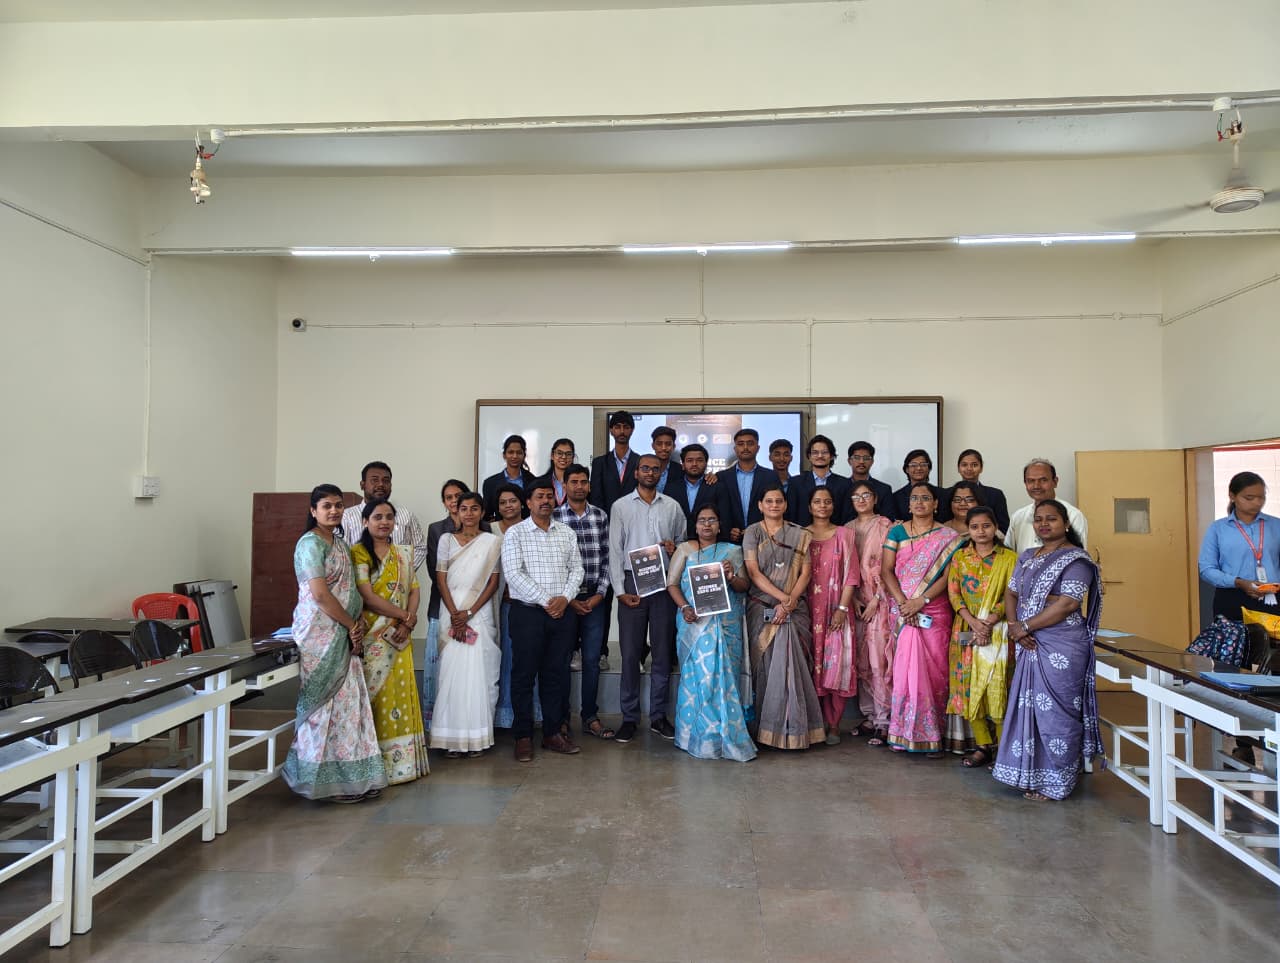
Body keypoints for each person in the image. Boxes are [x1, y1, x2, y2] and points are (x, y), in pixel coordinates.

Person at [993, 499, 1105, 801]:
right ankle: (1030, 774)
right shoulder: (1027, 556)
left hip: (1062, 646)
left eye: (1051, 519)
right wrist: (1015, 627)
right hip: (1029, 641)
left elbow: (1067, 603)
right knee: (1029, 708)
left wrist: (1024, 626)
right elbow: (1011, 593)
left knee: (1056, 713)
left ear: (1066, 524)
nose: (1044, 524)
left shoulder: (1077, 560)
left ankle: (1058, 781)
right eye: (1039, 519)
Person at [282, 485, 387, 802]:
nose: (333, 511)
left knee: (348, 707)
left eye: (338, 505)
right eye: (326, 506)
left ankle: (352, 778)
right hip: (320, 636)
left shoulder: (340, 544)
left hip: (345, 633)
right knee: (323, 709)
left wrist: (356, 623)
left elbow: (350, 590)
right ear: (313, 511)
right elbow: (319, 594)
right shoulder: (310, 544)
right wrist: (350, 624)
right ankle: (319, 781)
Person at [501, 479, 585, 762]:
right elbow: (514, 574)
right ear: (528, 502)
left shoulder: (566, 532)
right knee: (523, 675)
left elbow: (577, 569)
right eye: (539, 496)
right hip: (528, 613)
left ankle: (552, 733)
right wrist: (549, 601)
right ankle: (523, 736)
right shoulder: (515, 533)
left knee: (555, 675)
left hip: (562, 614)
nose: (545, 501)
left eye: (550, 496)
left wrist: (565, 598)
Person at [666, 504, 756, 761]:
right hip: (695, 625)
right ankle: (695, 737)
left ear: (719, 525)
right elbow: (672, 584)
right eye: (702, 520)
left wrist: (731, 575)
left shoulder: (732, 551)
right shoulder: (685, 550)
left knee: (725, 682)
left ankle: (726, 736)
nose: (707, 524)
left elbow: (744, 586)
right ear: (694, 526)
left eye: (712, 520)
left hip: (726, 627)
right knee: (701, 681)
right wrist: (685, 607)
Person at [609, 454, 688, 743]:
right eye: (645, 468)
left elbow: (683, 543)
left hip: (664, 583)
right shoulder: (621, 506)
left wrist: (673, 548)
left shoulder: (672, 506)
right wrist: (620, 590)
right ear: (636, 472)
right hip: (632, 582)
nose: (650, 473)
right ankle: (629, 717)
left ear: (660, 473)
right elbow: (615, 550)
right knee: (630, 653)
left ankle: (658, 716)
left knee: (662, 653)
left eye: (655, 469)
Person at [351, 499, 429, 785]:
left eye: (389, 517)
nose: (384, 522)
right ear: (365, 521)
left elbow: (414, 589)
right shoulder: (358, 553)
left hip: (399, 637)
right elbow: (367, 596)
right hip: (374, 636)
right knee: (376, 698)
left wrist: (407, 623)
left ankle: (403, 767)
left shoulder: (403, 553)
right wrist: (404, 616)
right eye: (377, 517)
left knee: (400, 693)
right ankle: (376, 766)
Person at [742, 485, 826, 749]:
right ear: (760, 505)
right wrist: (783, 599)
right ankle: (767, 729)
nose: (774, 505)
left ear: (785, 505)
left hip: (793, 607)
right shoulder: (752, 532)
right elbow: (753, 572)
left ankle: (797, 729)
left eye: (779, 501)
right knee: (766, 666)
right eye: (769, 501)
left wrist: (788, 604)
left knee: (794, 665)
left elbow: (805, 573)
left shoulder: (800, 534)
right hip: (761, 605)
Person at [881, 482, 961, 756]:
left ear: (936, 504)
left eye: (926, 498)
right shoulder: (897, 532)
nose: (919, 503)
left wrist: (921, 601)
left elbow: (948, 576)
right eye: (915, 498)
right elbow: (887, 570)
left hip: (934, 611)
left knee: (936, 671)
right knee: (905, 671)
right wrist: (905, 604)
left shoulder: (948, 537)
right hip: (903, 609)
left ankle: (933, 734)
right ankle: (903, 733)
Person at [431, 492, 503, 757]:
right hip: (451, 609)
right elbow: (440, 579)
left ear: (482, 512)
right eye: (464, 508)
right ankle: (451, 739)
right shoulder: (446, 540)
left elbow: (493, 582)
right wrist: (455, 614)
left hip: (479, 614)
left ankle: (477, 738)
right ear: (456, 511)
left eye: (474, 508)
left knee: (480, 674)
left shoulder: (492, 542)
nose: (469, 513)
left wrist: (470, 612)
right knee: (451, 672)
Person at [946, 506, 1017, 768]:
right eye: (974, 527)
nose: (981, 531)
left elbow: (1012, 594)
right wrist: (974, 622)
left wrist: (989, 622)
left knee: (997, 686)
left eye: (986, 526)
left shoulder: (1010, 558)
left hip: (999, 631)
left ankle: (1003, 750)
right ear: (968, 530)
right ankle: (982, 745)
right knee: (968, 686)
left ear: (995, 527)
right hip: (966, 628)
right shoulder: (960, 557)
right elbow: (954, 593)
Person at [553, 464, 615, 740]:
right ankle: (562, 718)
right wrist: (567, 598)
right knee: (562, 659)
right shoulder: (554, 517)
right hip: (565, 601)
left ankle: (590, 716)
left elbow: (608, 558)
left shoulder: (600, 516)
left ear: (589, 485)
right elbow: (552, 563)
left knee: (591, 660)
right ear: (564, 485)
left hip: (594, 600)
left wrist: (600, 593)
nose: (579, 486)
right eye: (574, 482)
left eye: (583, 482)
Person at [804, 487, 861, 744]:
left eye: (827, 501)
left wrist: (841, 609)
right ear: (809, 507)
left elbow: (851, 576)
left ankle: (835, 725)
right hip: (807, 610)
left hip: (837, 609)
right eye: (817, 502)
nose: (823, 506)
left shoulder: (844, 535)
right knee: (811, 664)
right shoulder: (801, 535)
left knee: (836, 665)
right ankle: (816, 723)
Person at [847, 480, 894, 745]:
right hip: (855, 602)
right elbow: (845, 569)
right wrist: (853, 598)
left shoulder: (886, 526)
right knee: (860, 661)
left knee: (879, 661)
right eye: (856, 496)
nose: (862, 500)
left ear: (875, 498)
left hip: (881, 602)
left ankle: (884, 721)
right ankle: (869, 716)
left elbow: (891, 566)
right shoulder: (846, 529)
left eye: (866, 495)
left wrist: (877, 599)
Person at [1198, 470, 1280, 621]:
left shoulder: (1276, 525)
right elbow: (1206, 569)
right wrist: (1238, 582)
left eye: (1261, 497)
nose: (1257, 502)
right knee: (1233, 636)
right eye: (1249, 498)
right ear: (1232, 496)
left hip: (1272, 598)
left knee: (1271, 637)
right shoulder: (1218, 528)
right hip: (1231, 597)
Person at [490, 483, 537, 730]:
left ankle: (523, 714)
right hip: (495, 604)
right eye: (503, 502)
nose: (508, 506)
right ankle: (501, 715)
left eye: (512, 501)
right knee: (500, 660)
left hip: (525, 604)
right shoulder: (489, 530)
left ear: (522, 503)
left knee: (521, 661)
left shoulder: (532, 528)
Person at [423, 479, 469, 730]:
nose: (454, 501)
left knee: (468, 666)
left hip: (474, 608)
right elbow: (435, 571)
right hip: (443, 604)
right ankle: (439, 721)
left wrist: (468, 606)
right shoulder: (436, 529)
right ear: (444, 502)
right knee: (442, 665)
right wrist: (455, 607)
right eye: (449, 497)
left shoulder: (483, 526)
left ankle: (466, 718)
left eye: (458, 495)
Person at [341, 461, 429, 570]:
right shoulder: (346, 516)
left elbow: (420, 547)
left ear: (391, 486)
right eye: (374, 480)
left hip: (398, 578)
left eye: (386, 481)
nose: (381, 484)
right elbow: (343, 552)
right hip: (359, 578)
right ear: (362, 485)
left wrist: (401, 572)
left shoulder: (406, 515)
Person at [1005, 458, 1089, 554]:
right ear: (1025, 483)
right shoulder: (1018, 517)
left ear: (1055, 482)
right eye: (1031, 481)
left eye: (1043, 480)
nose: (1036, 486)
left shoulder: (1073, 515)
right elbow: (1008, 553)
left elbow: (1079, 555)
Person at [721, 428, 777, 545]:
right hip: (730, 542)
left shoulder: (770, 476)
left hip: (764, 540)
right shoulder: (722, 477)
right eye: (741, 444)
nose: (745, 447)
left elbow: (776, 507)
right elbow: (718, 509)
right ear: (735, 449)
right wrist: (727, 530)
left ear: (758, 448)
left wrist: (762, 529)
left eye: (750, 443)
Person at [788, 434, 853, 526]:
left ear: (832, 456)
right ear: (809, 456)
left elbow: (847, 516)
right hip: (802, 533)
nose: (820, 456)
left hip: (835, 533)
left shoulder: (844, 484)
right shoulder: (795, 483)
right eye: (815, 452)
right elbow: (791, 515)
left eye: (824, 452)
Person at [664, 442, 723, 537]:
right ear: (683, 464)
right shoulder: (671, 488)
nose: (694, 464)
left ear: (706, 463)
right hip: (677, 541)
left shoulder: (717, 487)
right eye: (690, 460)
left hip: (709, 541)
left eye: (699, 460)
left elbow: (724, 519)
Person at [945, 449, 1010, 533]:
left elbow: (1004, 528)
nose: (969, 468)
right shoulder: (947, 493)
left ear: (981, 468)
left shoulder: (995, 494)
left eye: (974, 465)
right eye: (964, 465)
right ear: (958, 468)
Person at [590, 410, 640, 512]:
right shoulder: (599, 463)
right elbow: (596, 498)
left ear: (632, 430)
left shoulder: (640, 462)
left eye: (626, 427)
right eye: (617, 427)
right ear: (611, 430)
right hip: (606, 518)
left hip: (634, 518)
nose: (622, 431)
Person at [482, 435, 538, 520]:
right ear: (504, 455)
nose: (515, 456)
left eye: (519, 453)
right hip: (502, 526)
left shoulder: (533, 481)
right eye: (511, 452)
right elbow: (487, 514)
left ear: (524, 455)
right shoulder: (490, 483)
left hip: (527, 526)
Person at [887, 449, 949, 523]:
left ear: (929, 468)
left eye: (923, 464)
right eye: (913, 465)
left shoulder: (943, 494)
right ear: (907, 469)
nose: (919, 468)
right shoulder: (896, 497)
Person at [847, 441, 893, 519]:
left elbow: (888, 519)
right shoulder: (841, 487)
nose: (861, 462)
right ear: (849, 461)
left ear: (872, 462)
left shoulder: (884, 489)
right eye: (857, 458)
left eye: (866, 458)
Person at [543, 437, 577, 507]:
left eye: (568, 454)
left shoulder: (579, 483)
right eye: (559, 453)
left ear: (573, 457)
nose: (564, 457)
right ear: (552, 456)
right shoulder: (541, 481)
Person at [650, 425, 678, 492]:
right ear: (653, 446)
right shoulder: (643, 468)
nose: (663, 448)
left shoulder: (680, 471)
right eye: (659, 444)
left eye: (668, 444)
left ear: (674, 446)